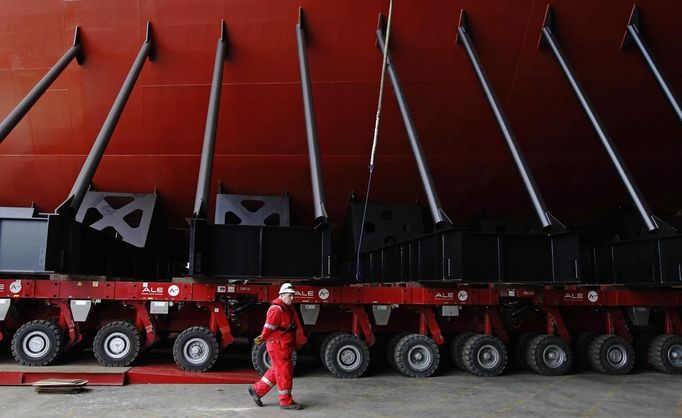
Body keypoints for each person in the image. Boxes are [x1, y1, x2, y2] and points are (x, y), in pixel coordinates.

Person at [248, 282, 306, 410]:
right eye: (290, 295)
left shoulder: (285, 307)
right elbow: (268, 327)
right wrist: (262, 338)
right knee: (284, 373)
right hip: (278, 347)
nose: (292, 298)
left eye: (293, 295)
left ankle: (256, 390)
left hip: (283, 346)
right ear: (282, 294)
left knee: (276, 371)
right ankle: (286, 401)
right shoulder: (276, 309)